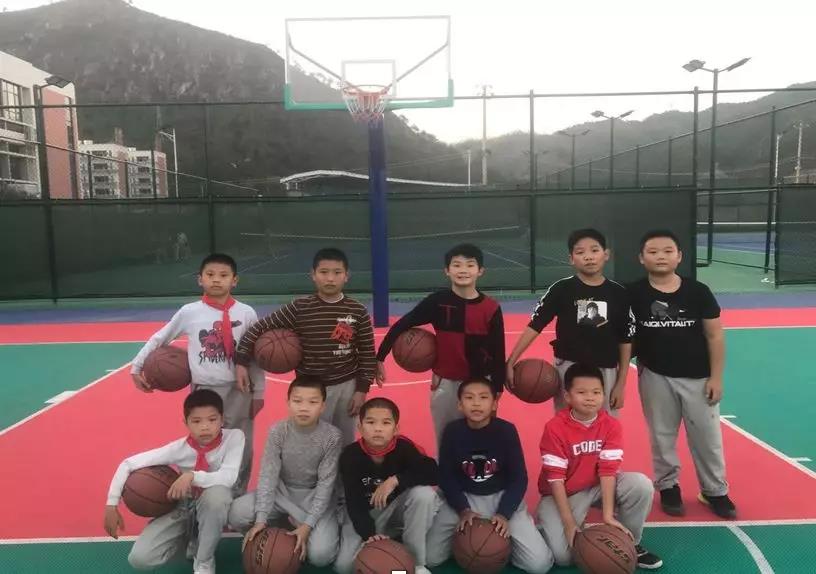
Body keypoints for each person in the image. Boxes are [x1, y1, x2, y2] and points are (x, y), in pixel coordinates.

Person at [130, 253, 264, 494]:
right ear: (200, 279)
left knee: (242, 443)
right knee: (207, 441)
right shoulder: (189, 312)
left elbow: (256, 356)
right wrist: (136, 367)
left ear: (234, 280)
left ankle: (237, 492)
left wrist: (260, 393)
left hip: (240, 390)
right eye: (210, 275)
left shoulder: (246, 313)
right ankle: (208, 491)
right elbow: (161, 338)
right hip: (204, 391)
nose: (216, 280)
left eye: (223, 275)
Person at [628, 229, 736, 519]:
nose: (660, 256)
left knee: (707, 437)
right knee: (661, 436)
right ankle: (668, 487)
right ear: (641, 258)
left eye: (667, 251)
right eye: (653, 252)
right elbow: (624, 335)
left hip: (698, 377)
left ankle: (715, 490)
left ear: (679, 256)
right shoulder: (633, 294)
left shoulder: (698, 291)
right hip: (655, 375)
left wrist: (716, 377)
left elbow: (715, 335)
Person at [235, 247, 377, 445]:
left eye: (337, 272)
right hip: (309, 390)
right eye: (324, 272)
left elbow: (368, 353)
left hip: (347, 387)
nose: (330, 278)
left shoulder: (357, 311)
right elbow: (258, 328)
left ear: (346, 276)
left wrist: (362, 390)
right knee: (312, 443)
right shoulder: (299, 307)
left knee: (344, 443)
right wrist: (241, 362)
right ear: (313, 275)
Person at [376, 243, 505, 449]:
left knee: (481, 440)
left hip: (480, 383)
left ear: (480, 271)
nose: (463, 270)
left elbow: (498, 350)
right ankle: (446, 470)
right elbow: (403, 324)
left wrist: (497, 387)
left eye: (470, 265)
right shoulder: (437, 302)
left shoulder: (491, 308)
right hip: (446, 383)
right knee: (446, 439)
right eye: (457, 265)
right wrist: (380, 357)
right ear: (447, 270)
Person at [104, 389, 245, 574]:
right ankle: (190, 536)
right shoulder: (178, 449)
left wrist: (192, 476)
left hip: (215, 503)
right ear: (185, 422)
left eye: (212, 420)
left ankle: (204, 560)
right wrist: (112, 504)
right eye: (196, 421)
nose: (205, 427)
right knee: (140, 559)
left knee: (217, 496)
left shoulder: (234, 437)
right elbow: (128, 464)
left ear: (222, 419)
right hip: (184, 505)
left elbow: (228, 476)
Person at [536, 363, 662, 569]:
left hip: (596, 487)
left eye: (596, 392)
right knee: (564, 558)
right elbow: (556, 478)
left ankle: (628, 542)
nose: (590, 397)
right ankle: (559, 522)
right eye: (582, 392)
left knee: (641, 485)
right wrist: (569, 524)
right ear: (567, 396)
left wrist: (607, 516)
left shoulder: (611, 425)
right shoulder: (555, 428)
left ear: (603, 395)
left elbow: (608, 471)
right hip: (564, 492)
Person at [426, 379, 554, 574]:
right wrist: (463, 509)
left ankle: (506, 543)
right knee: (430, 558)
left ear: (494, 404)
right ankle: (466, 544)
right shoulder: (452, 431)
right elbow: (446, 476)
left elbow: (519, 478)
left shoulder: (506, 430)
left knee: (540, 566)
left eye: (483, 397)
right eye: (469, 398)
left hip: (499, 497)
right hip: (465, 499)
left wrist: (504, 513)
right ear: (459, 405)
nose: (476, 403)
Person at [507, 228, 633, 414]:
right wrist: (511, 361)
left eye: (594, 250)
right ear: (571, 259)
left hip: (605, 370)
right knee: (566, 424)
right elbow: (536, 324)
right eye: (580, 252)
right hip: (567, 367)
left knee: (604, 426)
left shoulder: (619, 293)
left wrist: (620, 384)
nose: (588, 257)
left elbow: (625, 338)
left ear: (606, 254)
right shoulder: (562, 289)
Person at [228, 377, 342, 567]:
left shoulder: (332, 436)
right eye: (297, 401)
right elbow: (268, 475)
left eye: (312, 402)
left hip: (312, 498)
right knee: (237, 513)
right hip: (281, 494)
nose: (304, 408)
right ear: (288, 403)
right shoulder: (278, 431)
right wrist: (261, 519)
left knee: (321, 557)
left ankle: (304, 529)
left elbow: (326, 484)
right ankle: (279, 534)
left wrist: (307, 526)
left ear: (323, 406)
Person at [335, 397, 440, 574]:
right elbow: (354, 503)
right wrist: (369, 535)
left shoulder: (404, 448)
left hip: (396, 511)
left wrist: (396, 480)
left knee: (424, 494)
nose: (378, 428)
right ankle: (387, 539)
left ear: (396, 429)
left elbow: (433, 473)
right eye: (370, 422)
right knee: (343, 568)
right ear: (360, 427)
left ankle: (416, 562)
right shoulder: (350, 456)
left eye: (385, 423)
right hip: (366, 513)